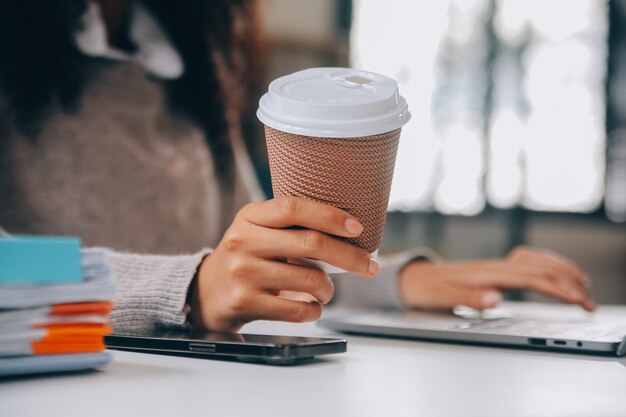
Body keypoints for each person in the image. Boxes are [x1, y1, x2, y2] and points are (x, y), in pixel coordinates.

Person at [0, 0, 595, 333]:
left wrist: (391, 279)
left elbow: (261, 259)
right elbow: (9, 260)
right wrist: (186, 288)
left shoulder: (188, 66)